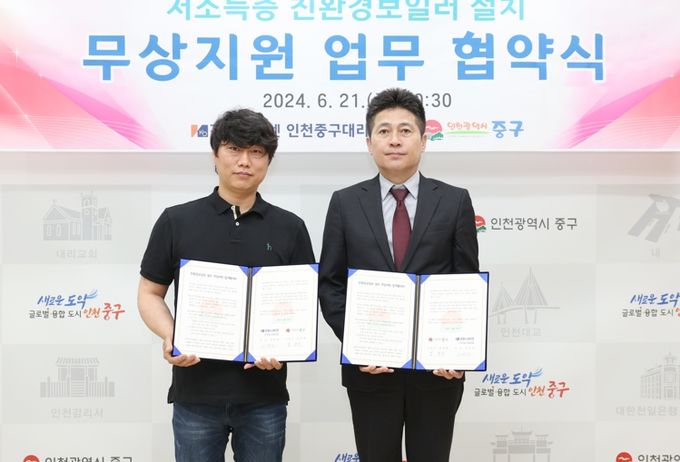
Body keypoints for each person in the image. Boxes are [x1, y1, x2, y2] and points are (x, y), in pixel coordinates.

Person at [137, 108, 315, 462]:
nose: (244, 161)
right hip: (196, 395)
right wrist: (172, 335)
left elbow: (302, 307)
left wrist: (283, 346)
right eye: (234, 149)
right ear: (215, 155)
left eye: (256, 152)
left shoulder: (290, 228)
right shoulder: (177, 220)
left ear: (268, 161)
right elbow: (149, 293)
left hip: (264, 398)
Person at [318, 88, 479, 462]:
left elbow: (466, 284)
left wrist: (457, 351)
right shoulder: (345, 202)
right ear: (369, 143)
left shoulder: (454, 200)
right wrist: (358, 342)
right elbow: (331, 284)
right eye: (384, 131)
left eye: (405, 130)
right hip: (370, 370)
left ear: (423, 141)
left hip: (437, 370)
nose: (394, 140)